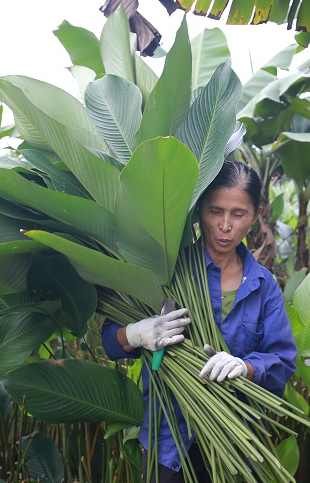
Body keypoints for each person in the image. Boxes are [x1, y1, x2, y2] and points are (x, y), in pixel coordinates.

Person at [102, 161, 298, 482]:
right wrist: (137, 333)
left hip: (236, 441)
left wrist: (244, 367)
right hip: (168, 440)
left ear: (256, 213)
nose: (225, 226)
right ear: (198, 211)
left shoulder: (263, 286)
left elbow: (282, 362)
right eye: (214, 211)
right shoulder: (166, 271)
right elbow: (111, 341)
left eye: (238, 214)